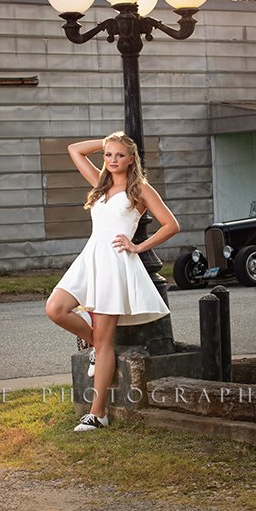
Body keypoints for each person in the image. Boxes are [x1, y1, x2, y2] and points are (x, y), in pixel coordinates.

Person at [44, 132, 180, 432]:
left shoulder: (140, 189)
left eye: (119, 155)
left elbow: (171, 224)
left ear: (132, 158)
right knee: (55, 308)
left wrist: (137, 247)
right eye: (108, 155)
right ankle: (95, 344)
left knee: (106, 343)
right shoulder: (101, 184)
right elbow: (74, 149)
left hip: (114, 264)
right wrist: (105, 141)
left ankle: (98, 413)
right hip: (90, 258)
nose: (112, 160)